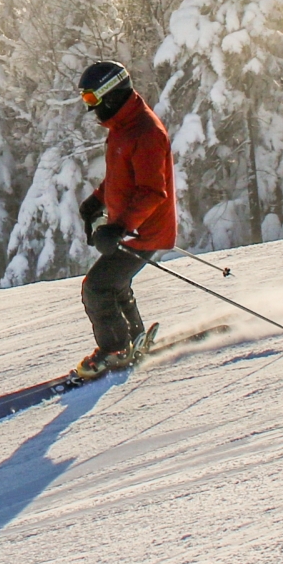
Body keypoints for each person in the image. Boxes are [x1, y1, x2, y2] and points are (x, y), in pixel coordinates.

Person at [71, 59, 175, 381]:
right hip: (131, 229)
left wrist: (119, 226)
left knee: (97, 288)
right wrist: (97, 201)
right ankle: (132, 338)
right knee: (113, 283)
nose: (90, 108)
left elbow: (151, 192)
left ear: (111, 94)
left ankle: (115, 350)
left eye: (91, 99)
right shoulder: (123, 127)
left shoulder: (145, 132)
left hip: (144, 232)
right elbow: (121, 178)